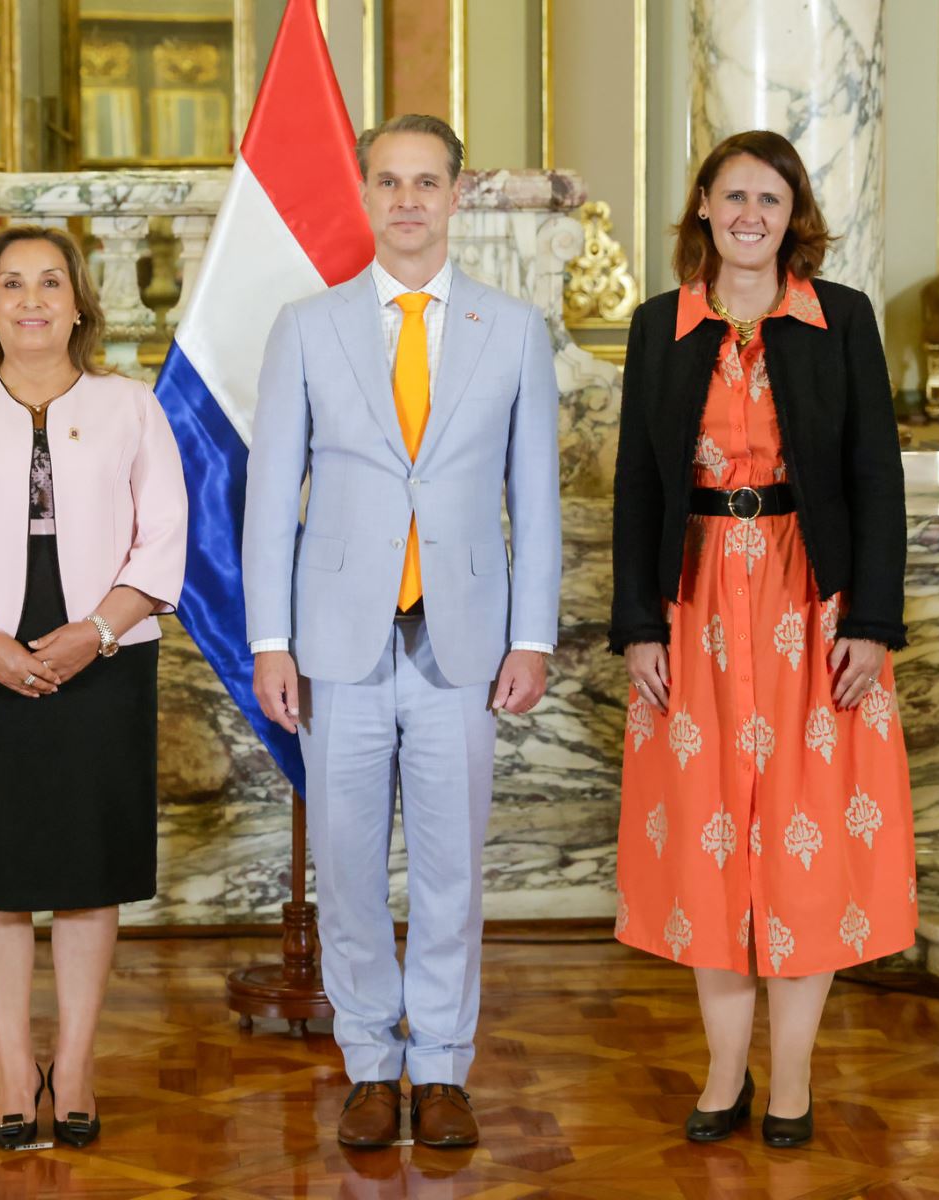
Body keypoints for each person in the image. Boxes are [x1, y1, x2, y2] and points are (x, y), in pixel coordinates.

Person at [243, 113, 562, 1150]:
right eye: (392, 181)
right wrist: (270, 639)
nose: (411, 200)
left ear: (459, 194)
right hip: (336, 642)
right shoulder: (308, 325)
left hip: (464, 642)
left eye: (430, 181)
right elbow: (267, 500)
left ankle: (443, 1067)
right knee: (344, 865)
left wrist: (534, 636)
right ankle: (372, 1064)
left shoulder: (511, 330)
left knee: (450, 869)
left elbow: (537, 500)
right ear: (366, 193)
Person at [609, 130, 916, 1149]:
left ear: (794, 219)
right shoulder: (660, 326)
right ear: (702, 206)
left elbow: (877, 474)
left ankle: (791, 1082)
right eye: (732, 195)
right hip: (692, 599)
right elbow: (637, 486)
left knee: (805, 838)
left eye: (770, 200)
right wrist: (638, 626)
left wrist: (870, 622)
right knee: (706, 841)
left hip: (807, 601)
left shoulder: (841, 320)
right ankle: (722, 1072)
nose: (750, 215)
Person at [0, 225, 187, 1150]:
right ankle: (16, 1067)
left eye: (49, 282)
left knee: (90, 872)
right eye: (11, 283)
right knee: (1, 873)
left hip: (103, 649)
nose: (30, 299)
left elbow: (163, 538)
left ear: (79, 304)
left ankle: (82, 1060)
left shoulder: (132, 406)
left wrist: (93, 633)